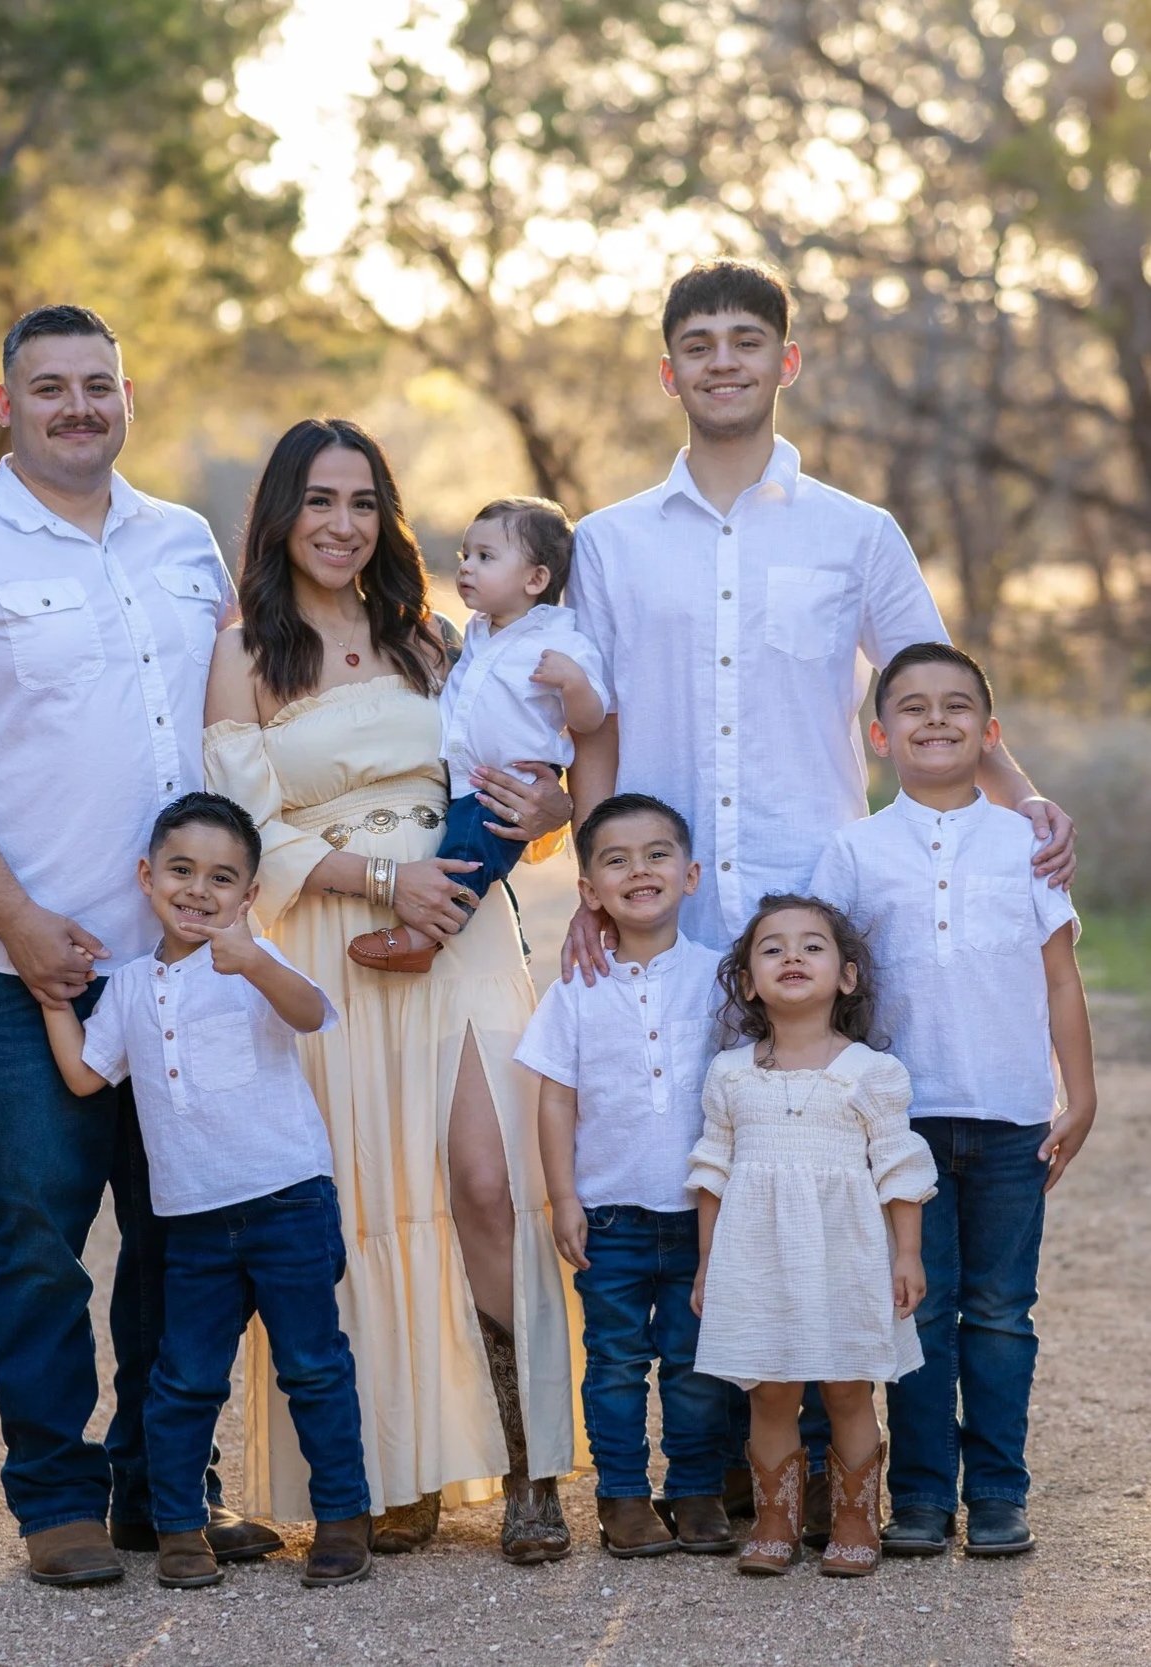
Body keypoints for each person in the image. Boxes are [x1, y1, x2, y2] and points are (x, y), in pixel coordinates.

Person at [563, 255, 1076, 1530]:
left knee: (821, 1173)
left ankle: (841, 1469)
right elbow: (599, 731)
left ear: (786, 361)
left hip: (814, 907)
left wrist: (1025, 800)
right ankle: (722, 1465)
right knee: (695, 1173)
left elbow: (923, 681)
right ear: (667, 366)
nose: (722, 360)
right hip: (668, 914)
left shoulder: (857, 532)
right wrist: (592, 876)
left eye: (748, 340)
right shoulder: (610, 543)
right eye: (698, 342)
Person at [0, 305, 274, 1586]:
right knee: (37, 1228)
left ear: (129, 396)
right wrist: (21, 923)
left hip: (184, 964)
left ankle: (164, 1486)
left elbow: (251, 712)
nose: (77, 407)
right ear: (6, 405)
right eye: (50, 388)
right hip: (18, 963)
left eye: (98, 385)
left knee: (183, 1229)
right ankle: (56, 1496)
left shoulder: (185, 543)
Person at [202, 418, 578, 1565]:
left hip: (460, 929)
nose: (341, 524)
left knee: (484, 1180)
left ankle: (530, 1469)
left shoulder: (431, 638)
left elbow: (512, 763)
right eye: (318, 501)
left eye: (362, 501)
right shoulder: (245, 652)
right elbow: (242, 828)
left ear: (386, 517)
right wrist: (379, 878)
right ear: (281, 514)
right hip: (329, 946)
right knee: (359, 1209)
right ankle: (394, 1469)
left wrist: (553, 809)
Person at [40, 792, 372, 1592]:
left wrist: (254, 958)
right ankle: (179, 1527)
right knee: (184, 1376)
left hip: (287, 1198)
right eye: (181, 870)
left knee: (312, 1365)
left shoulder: (259, 961)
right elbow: (87, 1074)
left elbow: (309, 1014)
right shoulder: (125, 988)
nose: (199, 890)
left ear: (248, 895)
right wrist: (54, 1001)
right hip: (191, 1220)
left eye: (222, 878)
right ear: (147, 876)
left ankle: (342, 1518)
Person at [811, 641, 1096, 1559]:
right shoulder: (853, 849)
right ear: (880, 735)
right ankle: (924, 1496)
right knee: (917, 1308)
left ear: (989, 731)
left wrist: (1078, 1094)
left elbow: (1058, 978)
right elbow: (825, 989)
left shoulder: (1026, 842)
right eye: (914, 708)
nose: (935, 720)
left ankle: (1001, 1494)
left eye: (956, 706)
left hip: (1012, 1113)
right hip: (902, 1123)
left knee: (1002, 1309)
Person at [688, 895, 937, 1578]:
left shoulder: (870, 1072)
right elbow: (711, 1171)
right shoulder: (730, 1073)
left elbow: (898, 1169)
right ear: (746, 982)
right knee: (769, 1390)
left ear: (847, 976)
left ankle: (856, 1519)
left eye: (811, 945)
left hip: (846, 1256)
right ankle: (775, 1521)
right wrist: (709, 1264)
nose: (791, 956)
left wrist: (907, 1253)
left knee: (848, 1388)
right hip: (756, 1258)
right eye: (771, 948)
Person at [518, 794, 734, 1559]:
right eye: (615, 859)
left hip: (700, 1215)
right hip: (608, 1212)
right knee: (613, 1362)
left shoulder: (722, 979)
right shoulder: (574, 988)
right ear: (588, 890)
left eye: (656, 854)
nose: (639, 870)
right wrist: (563, 1195)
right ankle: (621, 1496)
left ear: (691, 873)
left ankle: (697, 1488)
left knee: (695, 1358)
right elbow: (555, 1097)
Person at [349, 495, 608, 972]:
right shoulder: (479, 629)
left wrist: (573, 683)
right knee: (459, 847)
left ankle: (425, 936)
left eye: (485, 558)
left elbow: (591, 718)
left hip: (509, 785)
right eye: (465, 556)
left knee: (468, 855)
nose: (467, 568)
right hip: (464, 778)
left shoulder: (561, 640)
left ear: (535, 580)